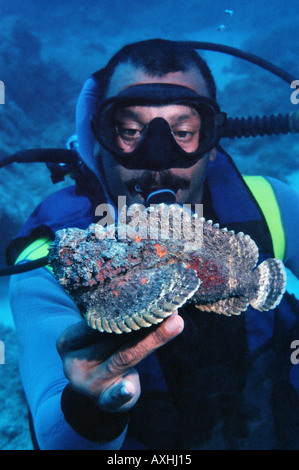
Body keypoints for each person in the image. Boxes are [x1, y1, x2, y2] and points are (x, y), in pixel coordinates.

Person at [8, 39, 299, 450]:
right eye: (129, 132)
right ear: (97, 138)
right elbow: (55, 431)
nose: (157, 159)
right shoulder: (48, 257)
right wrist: (90, 408)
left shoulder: (272, 206)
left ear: (213, 142)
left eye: (183, 132)